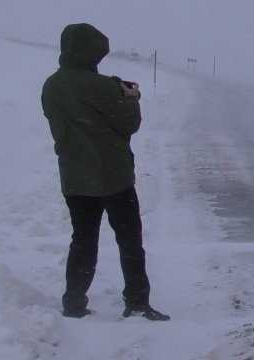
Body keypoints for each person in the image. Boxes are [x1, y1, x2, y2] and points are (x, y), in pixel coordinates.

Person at [41, 23, 170, 321]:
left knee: (83, 241)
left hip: (74, 179)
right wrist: (130, 98)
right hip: (114, 178)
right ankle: (136, 303)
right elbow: (129, 124)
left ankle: (73, 303)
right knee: (129, 243)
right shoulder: (98, 86)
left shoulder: (51, 84)